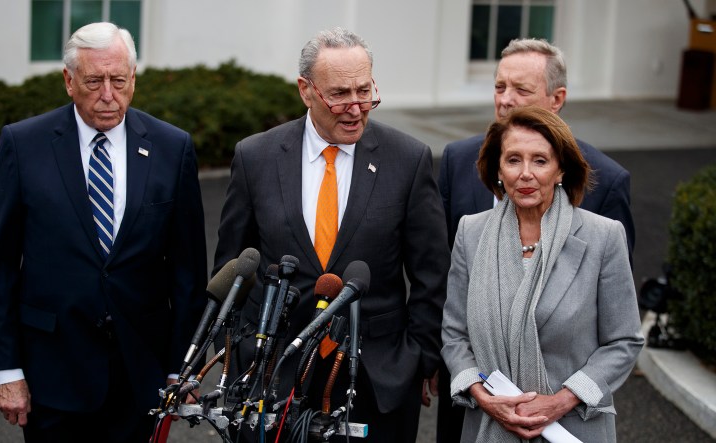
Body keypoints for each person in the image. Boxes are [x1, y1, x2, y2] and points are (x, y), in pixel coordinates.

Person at [213, 27, 450, 442]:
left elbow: (433, 275)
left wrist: (418, 359)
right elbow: (234, 266)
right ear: (306, 90)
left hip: (375, 379)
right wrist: (242, 351)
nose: (356, 108)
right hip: (272, 378)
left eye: (365, 91)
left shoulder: (407, 160)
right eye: (340, 94)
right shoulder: (256, 157)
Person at [0, 22, 208, 442]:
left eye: (119, 81)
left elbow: (188, 271)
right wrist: (6, 371)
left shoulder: (171, 148)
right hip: (52, 370)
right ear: (69, 81)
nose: (108, 94)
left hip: (141, 373)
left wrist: (183, 368)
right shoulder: (23, 144)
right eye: (94, 81)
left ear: (133, 79)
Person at [432, 38, 636, 443]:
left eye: (540, 161)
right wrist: (479, 392)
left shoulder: (602, 226)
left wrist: (560, 401)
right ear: (498, 171)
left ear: (561, 169)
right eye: (499, 87)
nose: (526, 173)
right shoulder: (471, 226)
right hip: (484, 421)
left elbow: (621, 334)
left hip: (571, 426)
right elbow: (453, 324)